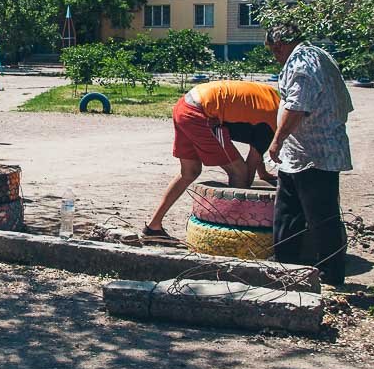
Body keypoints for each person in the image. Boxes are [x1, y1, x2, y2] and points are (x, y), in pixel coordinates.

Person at [264, 23, 354, 285]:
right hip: (300, 153)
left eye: (273, 51)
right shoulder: (316, 55)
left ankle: (330, 273)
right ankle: (285, 265)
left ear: (279, 45)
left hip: (316, 153)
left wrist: (277, 140)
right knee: (288, 212)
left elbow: (297, 106)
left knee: (321, 216)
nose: (275, 57)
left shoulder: (303, 61)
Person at [144, 79, 281, 238]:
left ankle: (153, 226)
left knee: (189, 172)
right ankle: (231, 235)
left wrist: (263, 174)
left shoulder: (272, 102)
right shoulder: (274, 123)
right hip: (202, 115)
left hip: (184, 105)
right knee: (240, 173)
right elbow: (251, 167)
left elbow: (257, 147)